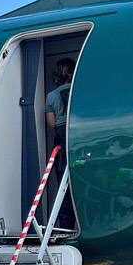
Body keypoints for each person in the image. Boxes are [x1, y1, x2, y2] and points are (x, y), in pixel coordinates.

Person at [46, 58, 76, 229]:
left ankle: (66, 225)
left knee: (62, 185)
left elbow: (51, 123)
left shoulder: (51, 96)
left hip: (60, 139)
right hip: (75, 134)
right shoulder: (78, 90)